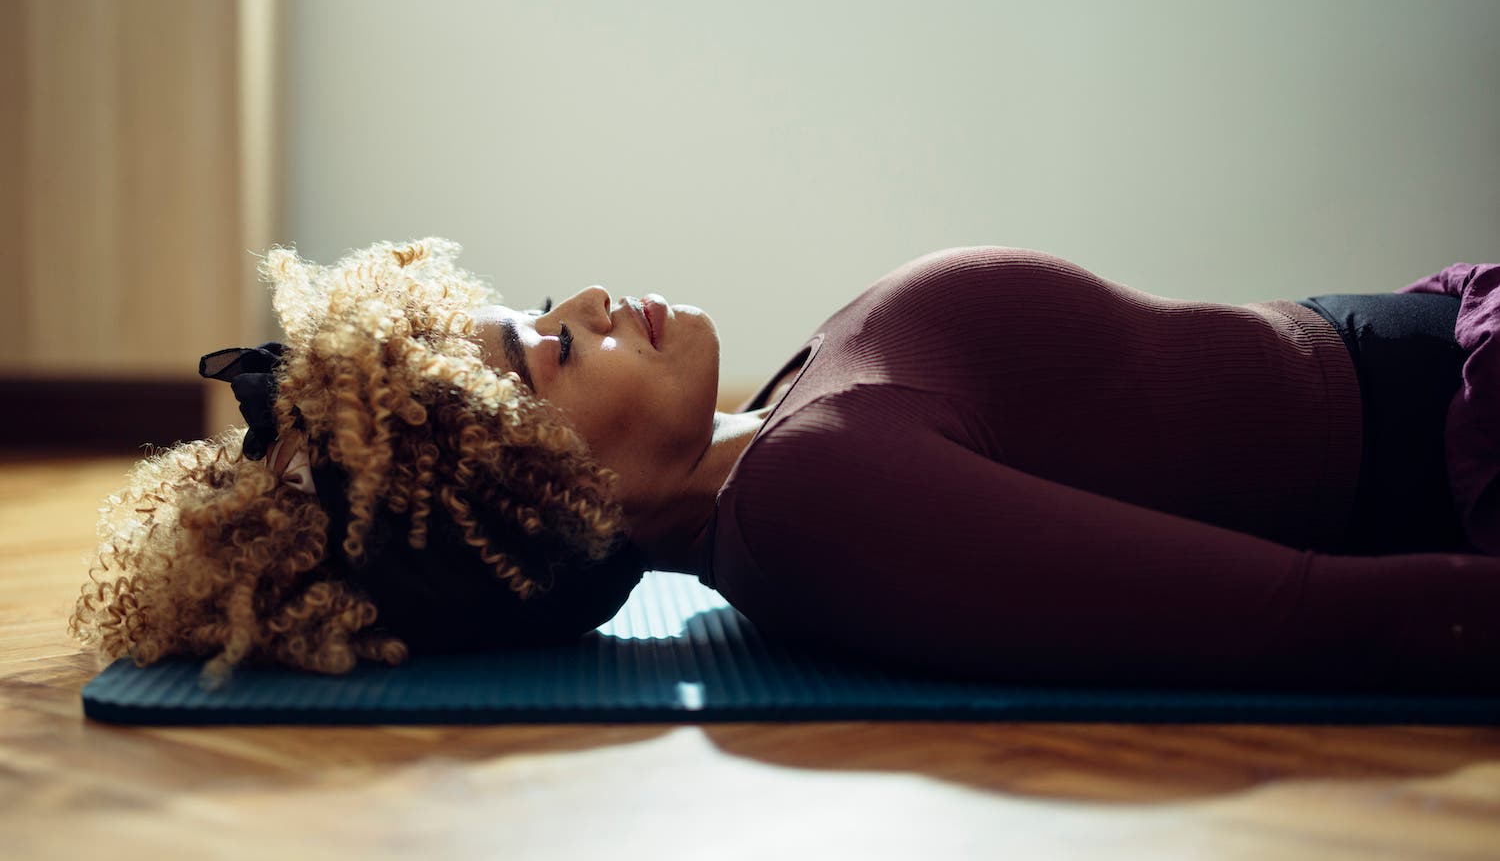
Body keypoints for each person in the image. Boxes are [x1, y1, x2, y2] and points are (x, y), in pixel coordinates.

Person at [69, 238, 1500, 693]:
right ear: (549, 501)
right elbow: (1306, 617)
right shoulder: (817, 506)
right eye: (547, 353)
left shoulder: (779, 432)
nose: (580, 304)